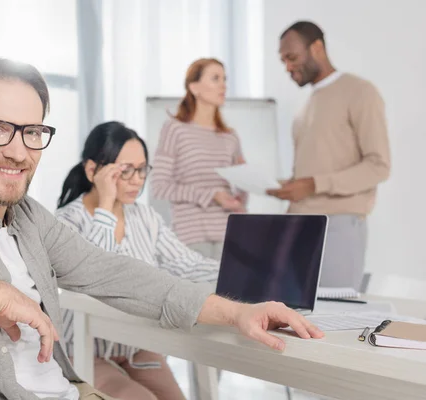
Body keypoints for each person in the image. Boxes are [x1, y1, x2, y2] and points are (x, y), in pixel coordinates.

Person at [0, 58, 323, 400]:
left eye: (32, 132)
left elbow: (113, 273)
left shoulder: (27, 217)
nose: (17, 151)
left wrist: (235, 312)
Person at [56, 121, 219, 400]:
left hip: (137, 347)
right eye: (125, 170)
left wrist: (238, 272)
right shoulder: (66, 222)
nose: (137, 179)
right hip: (84, 349)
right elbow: (96, 276)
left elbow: (186, 263)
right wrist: (106, 206)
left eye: (142, 169)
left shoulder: (145, 217)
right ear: (93, 170)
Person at [267, 21, 391, 291]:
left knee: (332, 317)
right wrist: (289, 186)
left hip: (337, 225)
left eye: (292, 57)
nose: (287, 66)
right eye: (282, 61)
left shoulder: (360, 92)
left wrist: (313, 185)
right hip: (298, 224)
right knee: (292, 318)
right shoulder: (305, 105)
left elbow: (378, 166)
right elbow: (316, 166)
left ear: (317, 47)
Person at [152, 58, 247, 262]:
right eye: (215, 78)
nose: (223, 85)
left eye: (224, 79)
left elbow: (242, 186)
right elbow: (159, 186)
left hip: (229, 235)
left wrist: (240, 194)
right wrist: (212, 195)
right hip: (192, 236)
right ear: (194, 87)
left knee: (232, 294)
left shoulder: (230, 136)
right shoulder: (175, 129)